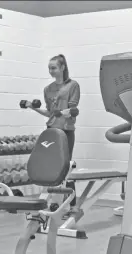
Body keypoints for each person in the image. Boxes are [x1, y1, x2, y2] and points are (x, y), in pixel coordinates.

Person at [26, 54, 81, 216]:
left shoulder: (73, 86)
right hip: (51, 131)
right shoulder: (47, 89)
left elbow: (72, 110)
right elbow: (50, 113)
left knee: (66, 168)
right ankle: (51, 202)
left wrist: (66, 113)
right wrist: (32, 107)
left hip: (66, 131)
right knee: (51, 168)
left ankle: (72, 206)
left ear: (63, 67)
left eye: (54, 68)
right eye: (49, 68)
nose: (51, 71)